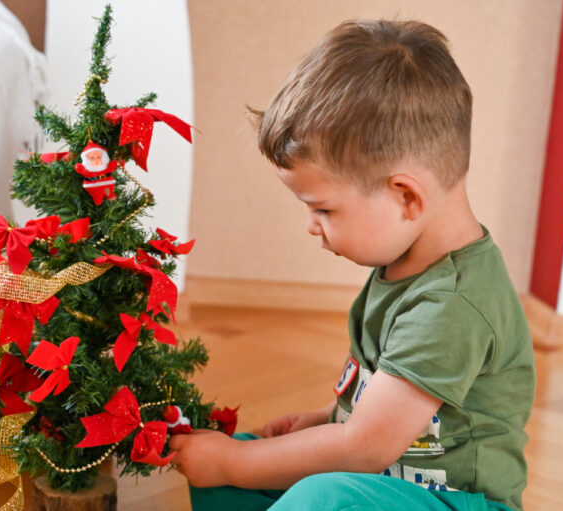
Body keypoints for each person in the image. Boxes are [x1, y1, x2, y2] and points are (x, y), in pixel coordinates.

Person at [169, 19, 535, 511]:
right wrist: (325, 419)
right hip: (380, 480)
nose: (311, 226)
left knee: (314, 491)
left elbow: (365, 446)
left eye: (323, 209)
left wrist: (233, 462)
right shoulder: (401, 264)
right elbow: (389, 399)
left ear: (405, 196)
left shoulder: (453, 303)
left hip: (453, 502)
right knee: (236, 462)